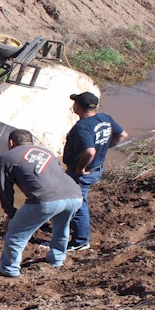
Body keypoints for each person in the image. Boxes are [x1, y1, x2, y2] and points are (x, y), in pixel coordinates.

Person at [0, 129, 82, 277]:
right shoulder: (47, 152)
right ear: (32, 142)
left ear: (11, 143)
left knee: (16, 234)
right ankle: (57, 259)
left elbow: (5, 190)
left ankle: (9, 269)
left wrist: (10, 215)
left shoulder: (6, 158)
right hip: (75, 195)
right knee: (62, 227)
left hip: (46, 200)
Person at [63, 92, 129, 251]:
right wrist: (105, 148)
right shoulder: (105, 118)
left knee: (78, 205)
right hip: (96, 169)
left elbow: (90, 151)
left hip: (83, 173)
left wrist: (80, 168)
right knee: (74, 201)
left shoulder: (82, 127)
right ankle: (68, 229)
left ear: (77, 107)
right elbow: (123, 135)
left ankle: (80, 241)